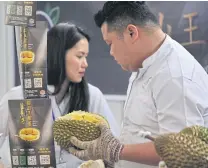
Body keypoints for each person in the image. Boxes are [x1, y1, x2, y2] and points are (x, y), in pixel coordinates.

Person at [68, 1, 208, 168]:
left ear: (132, 33)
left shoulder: (175, 78)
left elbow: (181, 151)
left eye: (110, 43)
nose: (111, 52)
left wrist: (113, 149)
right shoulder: (144, 66)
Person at [0, 22, 119, 168]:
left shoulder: (92, 96)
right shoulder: (19, 96)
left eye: (86, 57)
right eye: (80, 56)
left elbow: (113, 148)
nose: (85, 64)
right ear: (58, 55)